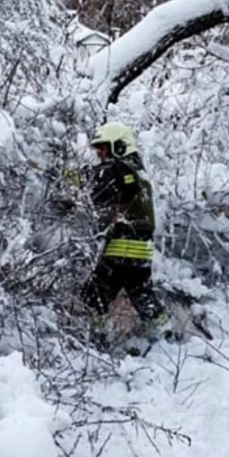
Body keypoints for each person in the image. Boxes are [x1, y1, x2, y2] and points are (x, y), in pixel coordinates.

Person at [78, 122, 167, 348]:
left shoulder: (119, 170)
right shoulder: (139, 173)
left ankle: (98, 342)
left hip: (122, 247)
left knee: (93, 295)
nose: (99, 154)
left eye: (103, 148)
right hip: (142, 249)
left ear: (119, 146)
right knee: (141, 293)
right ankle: (164, 335)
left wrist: (65, 177)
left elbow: (95, 185)